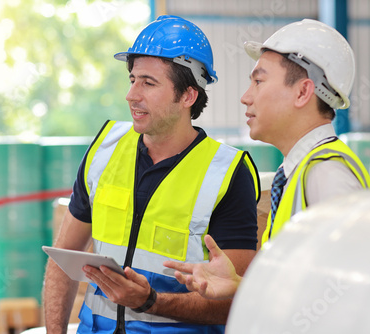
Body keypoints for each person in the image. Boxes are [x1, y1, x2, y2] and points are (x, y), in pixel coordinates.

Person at [43, 15, 261, 333]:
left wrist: (150, 301)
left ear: (188, 95)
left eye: (148, 82)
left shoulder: (227, 173)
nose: (132, 94)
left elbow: (232, 304)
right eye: (132, 79)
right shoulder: (105, 149)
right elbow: (62, 260)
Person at [164, 18, 370, 299]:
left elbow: (355, 298)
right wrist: (241, 287)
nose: (245, 97)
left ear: (302, 92)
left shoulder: (327, 174)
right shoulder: (298, 172)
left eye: (259, 81)